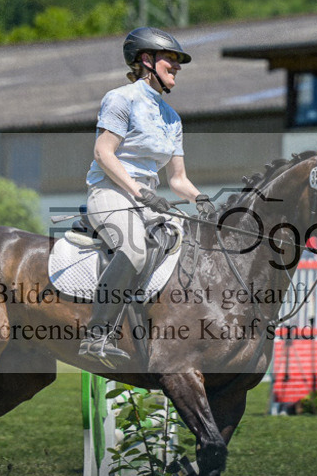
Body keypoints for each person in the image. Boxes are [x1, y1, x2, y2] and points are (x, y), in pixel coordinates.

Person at [78, 26, 217, 368]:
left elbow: (178, 179)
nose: (177, 67)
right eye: (171, 59)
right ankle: (98, 334)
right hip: (110, 192)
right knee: (134, 248)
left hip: (146, 201)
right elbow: (103, 153)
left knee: (194, 248)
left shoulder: (172, 118)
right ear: (146, 60)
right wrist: (140, 191)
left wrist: (201, 199)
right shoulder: (120, 99)